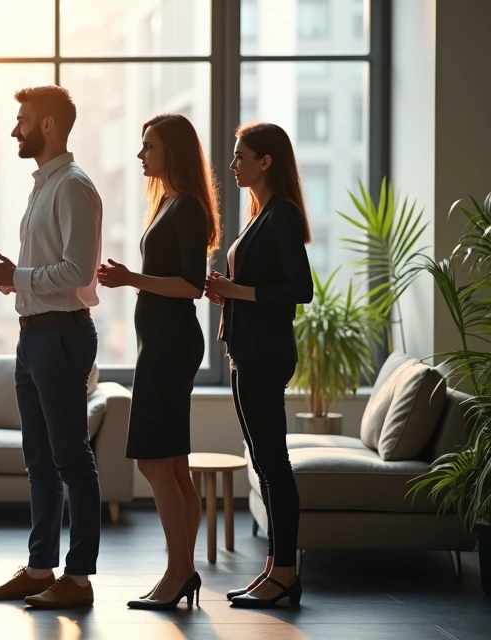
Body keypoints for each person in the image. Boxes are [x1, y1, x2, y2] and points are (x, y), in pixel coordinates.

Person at [0, 86, 104, 610]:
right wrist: (18, 282)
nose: (14, 129)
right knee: (40, 462)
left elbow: (79, 272)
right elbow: (51, 271)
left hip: (61, 335)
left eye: (22, 120)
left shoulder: (74, 186)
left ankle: (78, 579)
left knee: (72, 459)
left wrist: (20, 274)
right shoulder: (42, 187)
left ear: (48, 125)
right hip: (33, 338)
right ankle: (39, 568)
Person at [97, 113, 220, 610]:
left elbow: (191, 284)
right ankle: (181, 571)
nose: (140, 154)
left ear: (173, 151)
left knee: (153, 461)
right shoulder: (169, 202)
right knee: (174, 464)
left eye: (149, 146)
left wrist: (132, 279)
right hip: (163, 343)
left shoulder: (187, 207)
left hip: (171, 346)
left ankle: (177, 572)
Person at [204, 121, 313, 609]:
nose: (232, 165)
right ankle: (275, 567)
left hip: (265, 354)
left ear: (265, 161)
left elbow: (300, 290)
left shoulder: (282, 215)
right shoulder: (261, 213)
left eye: (240, 156)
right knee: (264, 463)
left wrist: (234, 291)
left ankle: (286, 572)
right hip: (246, 349)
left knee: (274, 463)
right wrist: (227, 290)